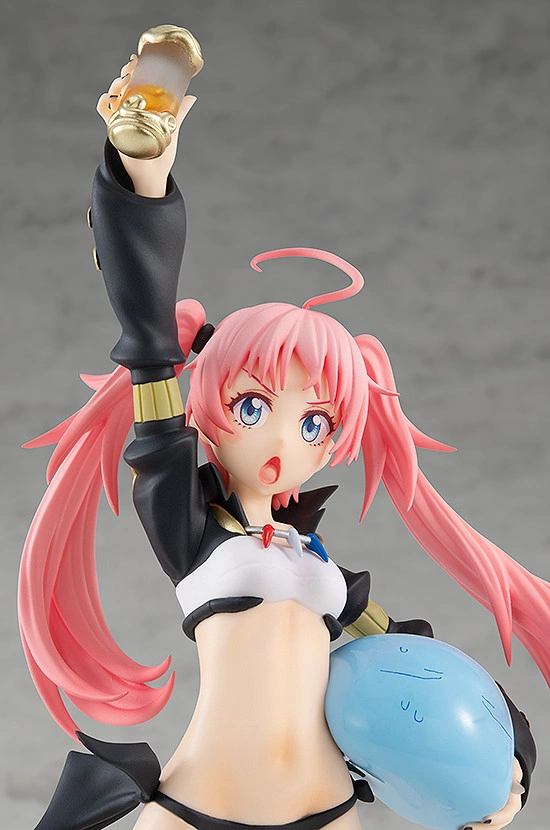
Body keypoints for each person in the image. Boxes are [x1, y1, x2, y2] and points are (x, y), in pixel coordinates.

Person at [20, 53, 546, 830]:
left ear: (334, 441)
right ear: (208, 407)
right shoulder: (194, 530)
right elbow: (148, 345)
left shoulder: (320, 565)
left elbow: (417, 662)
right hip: (200, 808)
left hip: (324, 811)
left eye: (313, 422)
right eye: (252, 405)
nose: (280, 438)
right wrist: (143, 176)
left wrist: (505, 766)